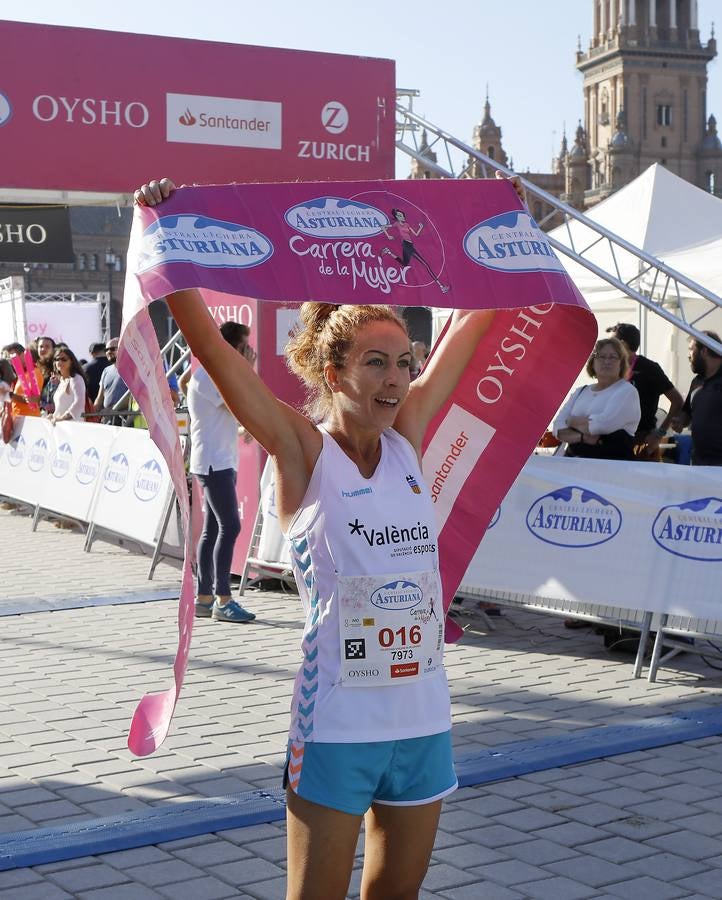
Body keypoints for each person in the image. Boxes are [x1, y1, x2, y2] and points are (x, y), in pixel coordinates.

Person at [135, 174, 506, 900]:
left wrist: (502, 230)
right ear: (333, 371)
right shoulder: (303, 450)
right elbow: (213, 350)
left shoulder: (409, 439)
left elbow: (475, 323)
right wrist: (166, 234)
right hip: (338, 721)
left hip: (424, 718)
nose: (398, 378)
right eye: (377, 362)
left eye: (404, 362)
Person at [186, 320, 256, 624]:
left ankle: (204, 597)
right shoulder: (210, 376)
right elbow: (240, 402)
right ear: (233, 347)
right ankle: (223, 599)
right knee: (230, 526)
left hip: (219, 460)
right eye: (244, 347)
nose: (248, 352)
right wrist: (247, 368)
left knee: (213, 529)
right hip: (214, 463)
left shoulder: (214, 374)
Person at [553, 336, 641, 461]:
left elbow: (602, 425)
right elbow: (557, 428)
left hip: (610, 469)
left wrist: (571, 421)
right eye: (601, 356)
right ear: (592, 362)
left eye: (613, 357)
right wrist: (582, 437)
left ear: (621, 363)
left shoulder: (627, 391)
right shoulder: (580, 391)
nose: (607, 361)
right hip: (574, 467)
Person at [606, 323, 683, 460]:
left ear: (622, 344)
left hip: (641, 441)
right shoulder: (610, 368)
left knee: (639, 481)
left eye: (611, 342)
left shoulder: (649, 369)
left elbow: (677, 401)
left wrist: (659, 434)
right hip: (612, 439)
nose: (606, 347)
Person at [671, 331, 722, 466]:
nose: (689, 355)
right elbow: (687, 413)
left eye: (691, 350)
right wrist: (680, 421)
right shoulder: (696, 382)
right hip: (698, 463)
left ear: (704, 351)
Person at [381, 208, 449, 294]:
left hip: (410, 245)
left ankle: (388, 251)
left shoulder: (407, 224)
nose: (401, 216)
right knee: (425, 264)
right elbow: (383, 227)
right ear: (396, 217)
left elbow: (416, 234)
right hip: (406, 245)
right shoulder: (397, 224)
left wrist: (420, 228)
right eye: (398, 215)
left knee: (404, 263)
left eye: (402, 215)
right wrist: (388, 235)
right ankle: (441, 286)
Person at [2, 342, 44, 419]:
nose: (11, 361)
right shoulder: (20, 375)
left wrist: (8, 394)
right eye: (9, 358)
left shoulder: (34, 372)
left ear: (22, 355)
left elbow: (32, 399)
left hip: (29, 421)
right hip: (19, 420)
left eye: (12, 356)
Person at [94, 338, 129, 423]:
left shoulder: (130, 369)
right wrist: (94, 411)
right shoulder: (106, 370)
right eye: (106, 349)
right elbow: (99, 397)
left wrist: (112, 409)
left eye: (112, 349)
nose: (109, 352)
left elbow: (133, 397)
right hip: (108, 419)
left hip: (124, 419)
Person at [50, 345, 87, 423]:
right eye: (57, 359)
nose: (59, 362)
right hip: (62, 428)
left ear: (71, 361)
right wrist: (53, 416)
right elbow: (62, 407)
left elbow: (79, 403)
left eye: (64, 359)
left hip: (74, 428)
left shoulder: (76, 378)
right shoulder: (62, 381)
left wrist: (62, 418)